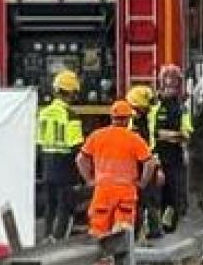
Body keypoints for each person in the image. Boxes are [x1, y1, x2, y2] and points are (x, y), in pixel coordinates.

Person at [76, 101, 157, 239]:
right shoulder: (134, 139)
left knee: (99, 230)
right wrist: (143, 182)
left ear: (112, 117)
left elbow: (80, 159)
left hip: (103, 189)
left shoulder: (97, 136)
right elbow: (149, 163)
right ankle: (120, 259)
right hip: (125, 190)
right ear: (127, 119)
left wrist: (89, 179)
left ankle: (101, 258)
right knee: (123, 232)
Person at [36, 70, 84, 242]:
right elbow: (77, 147)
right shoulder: (71, 116)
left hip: (48, 164)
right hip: (65, 166)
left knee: (50, 206)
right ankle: (58, 241)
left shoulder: (43, 113)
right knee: (66, 207)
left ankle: (47, 237)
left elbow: (38, 142)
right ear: (71, 93)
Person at [149, 64, 193, 234]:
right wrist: (171, 135)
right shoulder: (154, 106)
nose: (171, 87)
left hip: (174, 159)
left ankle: (168, 228)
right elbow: (151, 132)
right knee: (153, 196)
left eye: (174, 83)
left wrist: (165, 135)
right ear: (161, 83)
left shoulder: (181, 108)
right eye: (168, 83)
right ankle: (152, 227)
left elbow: (186, 134)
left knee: (173, 196)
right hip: (154, 158)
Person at [127, 85, 163, 240]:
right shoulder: (136, 121)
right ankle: (139, 232)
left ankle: (151, 231)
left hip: (146, 164)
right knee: (143, 199)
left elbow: (152, 144)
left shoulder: (145, 120)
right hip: (140, 165)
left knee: (148, 198)